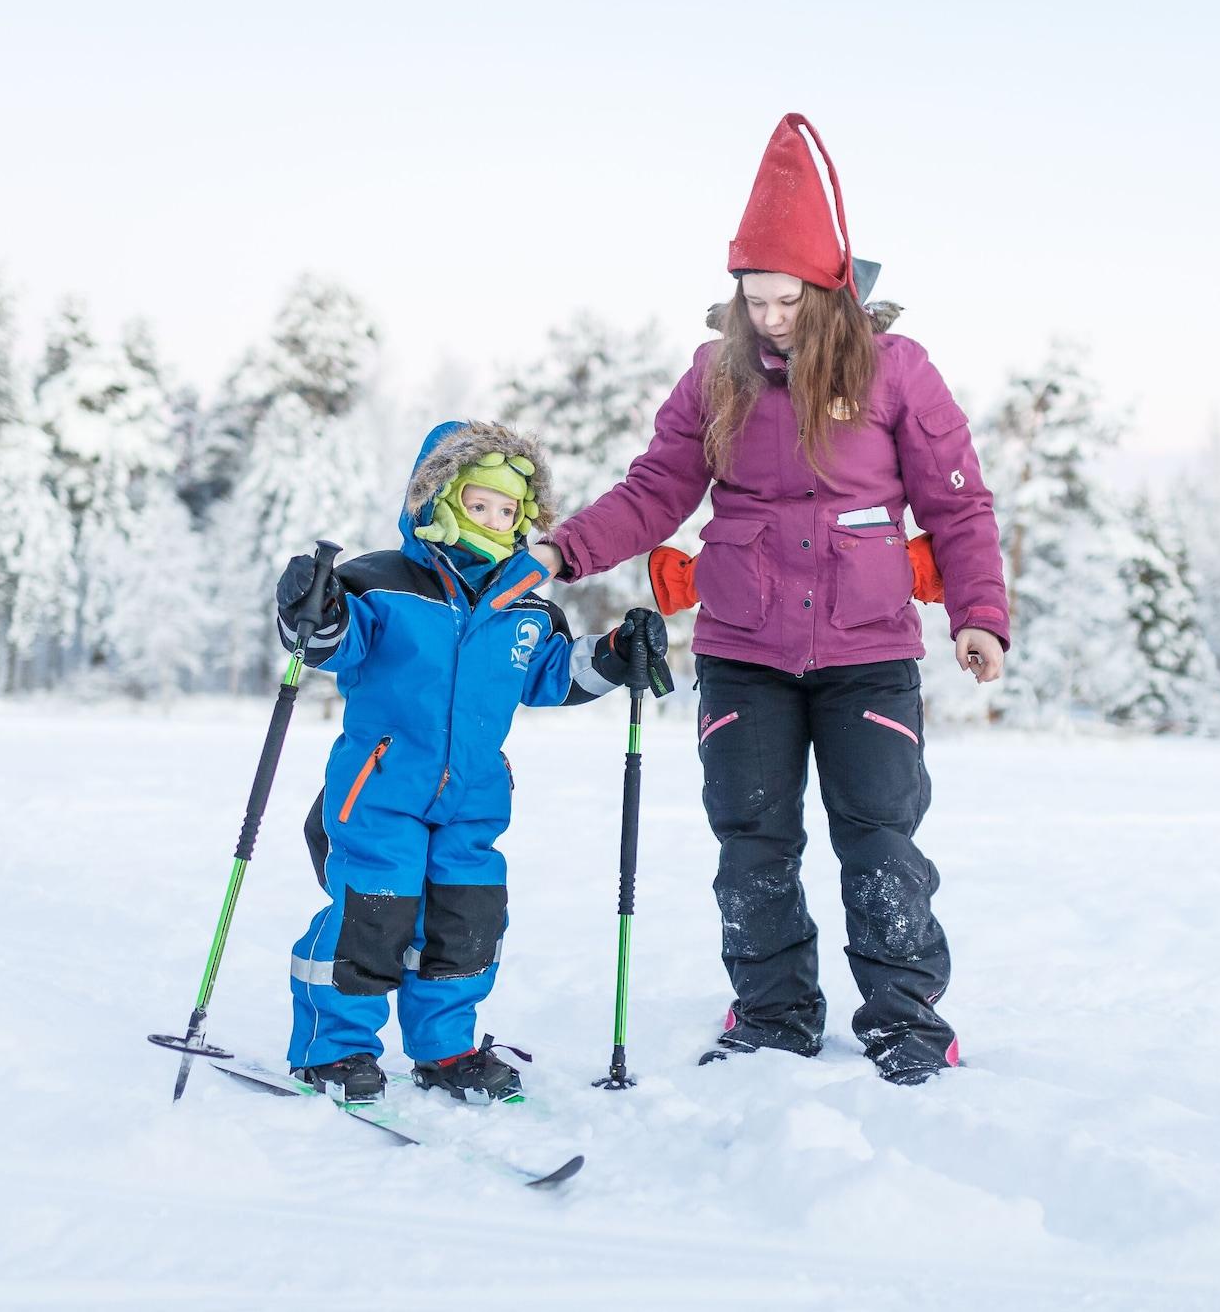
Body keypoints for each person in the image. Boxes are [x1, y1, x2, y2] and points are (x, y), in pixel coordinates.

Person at [531, 113, 1010, 1086]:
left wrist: (977, 616)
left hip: (866, 649)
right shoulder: (714, 378)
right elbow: (654, 491)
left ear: (828, 288)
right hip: (742, 649)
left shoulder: (895, 371)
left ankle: (907, 1023)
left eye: (784, 299)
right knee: (750, 842)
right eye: (751, 298)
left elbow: (957, 505)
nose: (767, 318)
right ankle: (771, 1014)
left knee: (878, 838)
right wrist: (563, 549)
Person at [276, 418, 671, 1104]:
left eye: (509, 509)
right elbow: (331, 643)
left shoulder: (523, 608)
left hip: (475, 799)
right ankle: (332, 1048)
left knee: (468, 919)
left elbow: (554, 674)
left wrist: (614, 653)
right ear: (437, 500)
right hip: (380, 791)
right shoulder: (380, 583)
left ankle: (445, 1047)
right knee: (374, 911)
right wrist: (313, 604)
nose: (495, 518)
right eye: (478, 502)